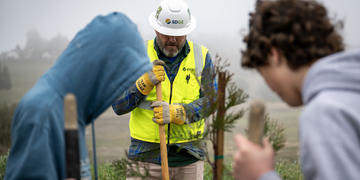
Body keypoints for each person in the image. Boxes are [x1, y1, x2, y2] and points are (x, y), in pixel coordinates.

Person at [5, 12, 152, 179]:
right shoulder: (42, 114)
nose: (118, 92)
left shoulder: (71, 110)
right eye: (119, 81)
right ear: (101, 68)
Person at [232, 0, 360, 179]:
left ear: (273, 54)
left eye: (263, 71)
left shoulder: (325, 114)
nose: (268, 85)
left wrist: (260, 174)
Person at [112, 0, 216, 179]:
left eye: (179, 35)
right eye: (167, 34)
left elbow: (212, 101)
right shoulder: (137, 55)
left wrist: (179, 113)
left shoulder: (201, 56)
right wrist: (143, 83)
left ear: (188, 31)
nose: (172, 40)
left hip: (188, 159)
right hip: (144, 158)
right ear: (156, 29)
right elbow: (118, 105)